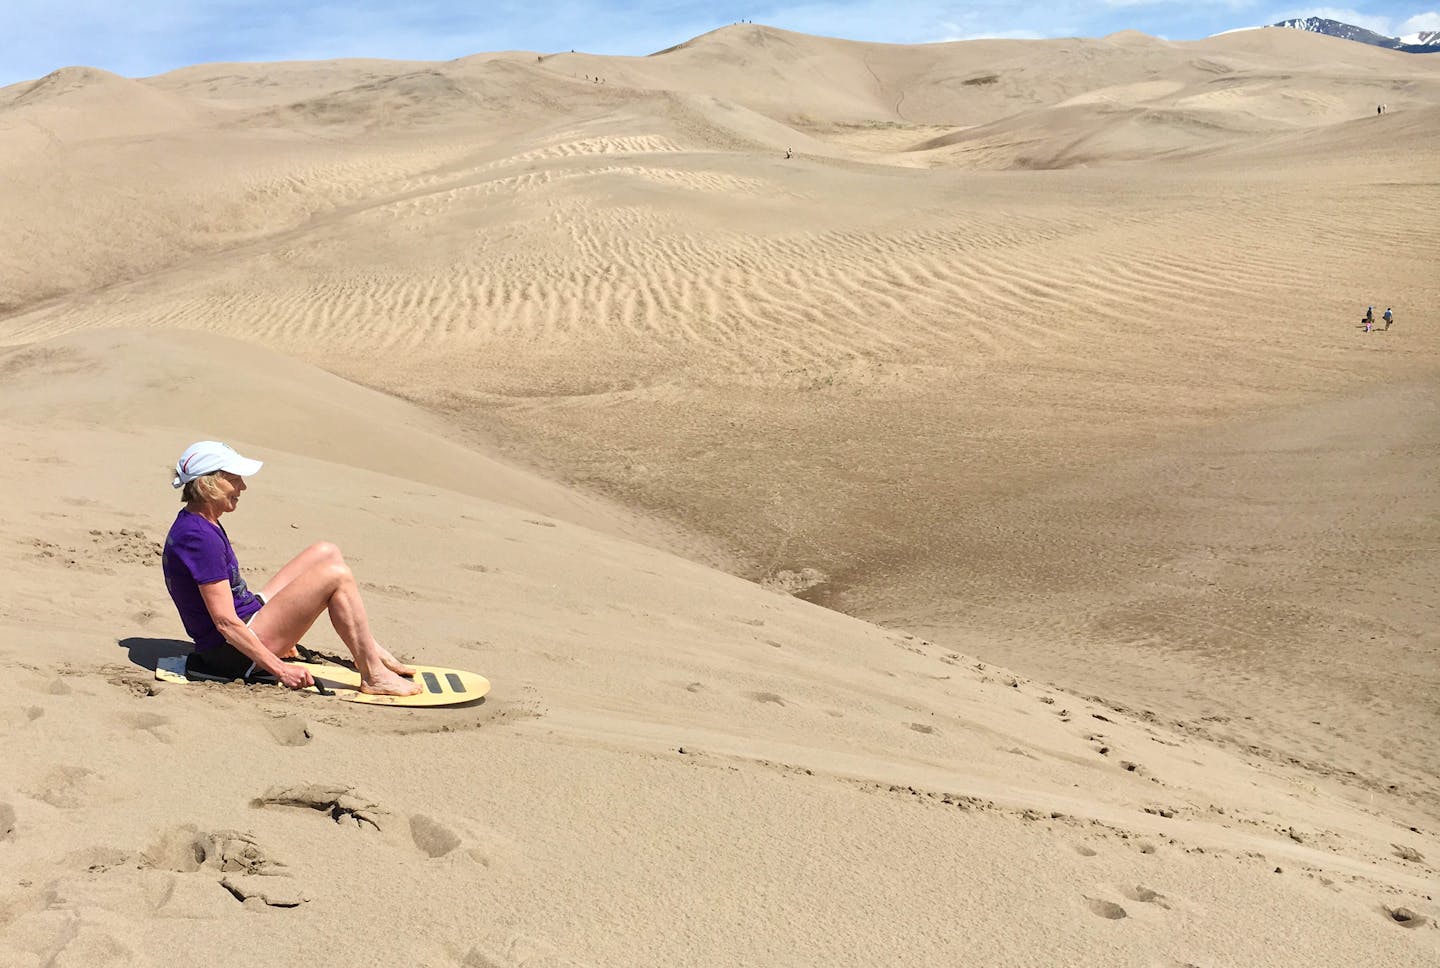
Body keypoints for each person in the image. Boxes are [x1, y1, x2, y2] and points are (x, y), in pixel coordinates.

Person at [161, 441, 420, 695]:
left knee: (325, 552)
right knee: (336, 577)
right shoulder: (198, 538)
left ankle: (369, 649)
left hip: (248, 621)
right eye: (235, 479)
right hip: (231, 654)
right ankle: (374, 675)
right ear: (210, 484)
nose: (243, 487)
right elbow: (225, 622)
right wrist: (280, 669)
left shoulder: (199, 521)